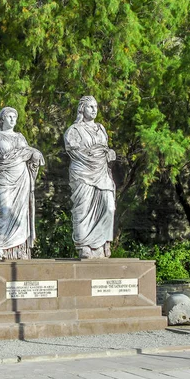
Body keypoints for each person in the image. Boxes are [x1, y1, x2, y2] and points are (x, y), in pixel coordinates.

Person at [0, 107, 44, 259]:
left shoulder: (20, 138)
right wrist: (3, 161)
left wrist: (35, 157)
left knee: (20, 214)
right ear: (2, 119)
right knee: (4, 210)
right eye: (9, 116)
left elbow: (29, 158)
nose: (12, 119)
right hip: (3, 179)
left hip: (22, 179)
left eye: (14, 117)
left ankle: (19, 248)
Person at [64, 96, 116, 258]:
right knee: (83, 207)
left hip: (101, 172)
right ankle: (83, 245)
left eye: (95, 107)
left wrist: (109, 153)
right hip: (82, 172)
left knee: (109, 207)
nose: (94, 110)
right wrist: (94, 153)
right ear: (82, 109)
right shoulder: (74, 130)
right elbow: (73, 151)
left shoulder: (101, 128)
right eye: (90, 107)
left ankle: (103, 242)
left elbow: (105, 149)